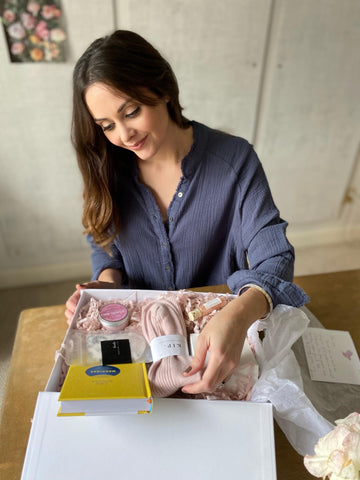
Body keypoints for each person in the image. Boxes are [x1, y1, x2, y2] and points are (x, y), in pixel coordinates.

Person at [65, 29, 308, 395]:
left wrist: (240, 314)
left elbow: (274, 254)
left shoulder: (234, 161)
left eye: (131, 112)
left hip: (215, 343)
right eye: (107, 126)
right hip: (140, 347)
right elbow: (104, 243)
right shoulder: (108, 167)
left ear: (163, 89)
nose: (124, 135)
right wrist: (107, 288)